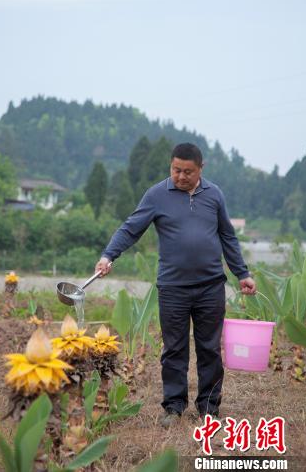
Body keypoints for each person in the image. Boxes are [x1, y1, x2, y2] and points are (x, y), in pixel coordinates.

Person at [95, 143, 256, 428]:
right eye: (176, 170)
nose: (181, 176)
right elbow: (131, 227)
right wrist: (109, 255)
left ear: (201, 169)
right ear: (171, 166)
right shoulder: (157, 194)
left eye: (188, 172)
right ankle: (173, 407)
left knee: (209, 349)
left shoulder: (214, 195)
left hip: (211, 287)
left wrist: (242, 273)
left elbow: (227, 237)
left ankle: (209, 407)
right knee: (174, 349)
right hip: (173, 288)